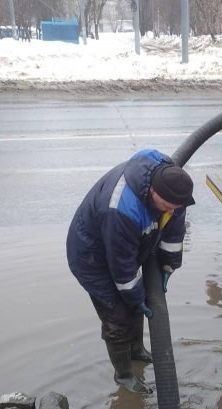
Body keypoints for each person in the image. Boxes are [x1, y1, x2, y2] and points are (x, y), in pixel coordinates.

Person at [66, 148, 194, 394]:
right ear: (153, 192)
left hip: (126, 247)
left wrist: (169, 264)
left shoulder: (175, 189)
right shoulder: (122, 208)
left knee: (136, 302)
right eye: (167, 206)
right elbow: (123, 270)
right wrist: (137, 297)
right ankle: (123, 374)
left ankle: (136, 350)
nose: (171, 210)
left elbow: (175, 229)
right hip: (93, 256)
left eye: (176, 207)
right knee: (117, 315)